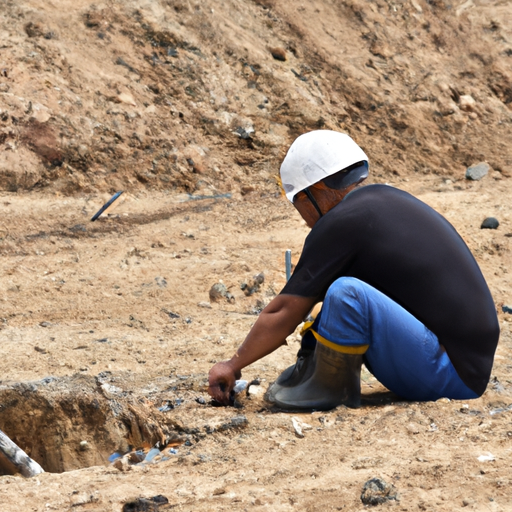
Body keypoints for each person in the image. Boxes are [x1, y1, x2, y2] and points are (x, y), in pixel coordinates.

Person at [207, 130, 500, 411]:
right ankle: (317, 376)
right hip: (468, 368)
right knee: (344, 292)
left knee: (347, 293)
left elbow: (283, 312)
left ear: (315, 190)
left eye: (299, 204)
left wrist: (232, 365)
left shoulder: (343, 221)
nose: (306, 220)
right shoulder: (387, 201)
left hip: (450, 375)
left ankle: (329, 390)